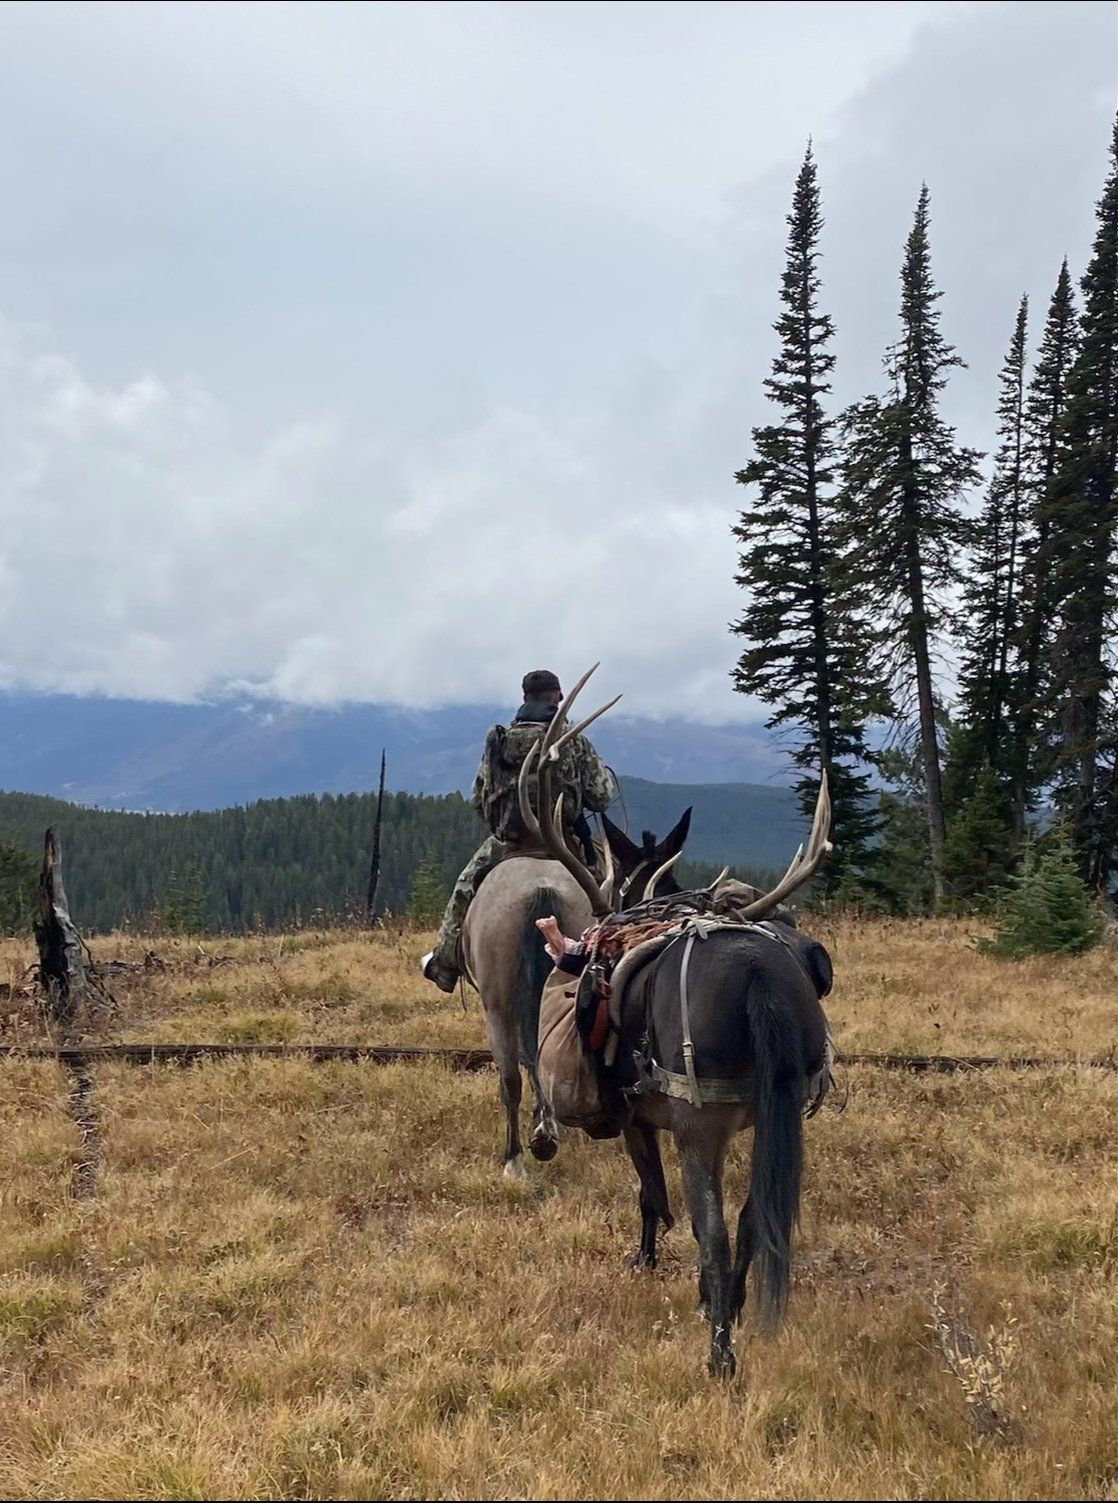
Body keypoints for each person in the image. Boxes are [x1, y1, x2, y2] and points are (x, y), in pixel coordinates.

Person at [420, 668, 614, 992]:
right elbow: (602, 797)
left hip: (511, 843)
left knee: (465, 888)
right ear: (558, 696)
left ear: (525, 698)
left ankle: (445, 963)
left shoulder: (501, 741)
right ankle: (621, 962)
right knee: (611, 894)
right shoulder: (575, 741)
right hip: (566, 844)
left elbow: (479, 797)